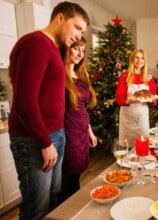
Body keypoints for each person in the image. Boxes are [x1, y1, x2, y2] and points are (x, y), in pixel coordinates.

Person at [8, 2, 89, 219]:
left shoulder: (54, 48)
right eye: (77, 27)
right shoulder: (37, 43)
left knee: (53, 202)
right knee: (37, 208)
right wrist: (45, 142)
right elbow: (24, 100)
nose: (79, 35)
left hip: (56, 134)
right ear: (60, 18)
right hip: (35, 140)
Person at [60, 37, 97, 201]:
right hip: (68, 132)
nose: (80, 54)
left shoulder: (81, 74)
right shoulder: (59, 75)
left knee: (77, 174)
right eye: (76, 49)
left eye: (83, 51)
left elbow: (83, 107)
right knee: (69, 177)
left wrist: (89, 131)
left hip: (82, 131)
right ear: (67, 48)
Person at [116, 49, 157, 148]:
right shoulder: (124, 77)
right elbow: (119, 99)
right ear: (132, 60)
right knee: (127, 148)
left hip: (142, 119)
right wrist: (130, 100)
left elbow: (154, 100)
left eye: (142, 58)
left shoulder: (149, 79)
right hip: (127, 119)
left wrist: (152, 100)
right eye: (137, 58)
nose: (140, 60)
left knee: (142, 146)